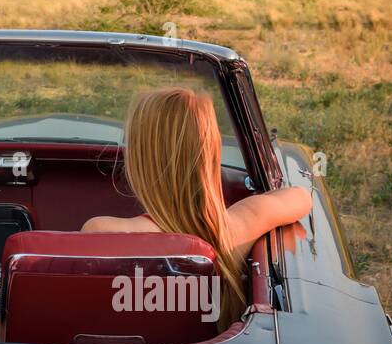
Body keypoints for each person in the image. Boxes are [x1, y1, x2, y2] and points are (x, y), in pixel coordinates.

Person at [82, 86, 311, 328]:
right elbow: (301, 197)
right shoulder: (238, 225)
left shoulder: (101, 232)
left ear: (140, 162)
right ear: (211, 154)